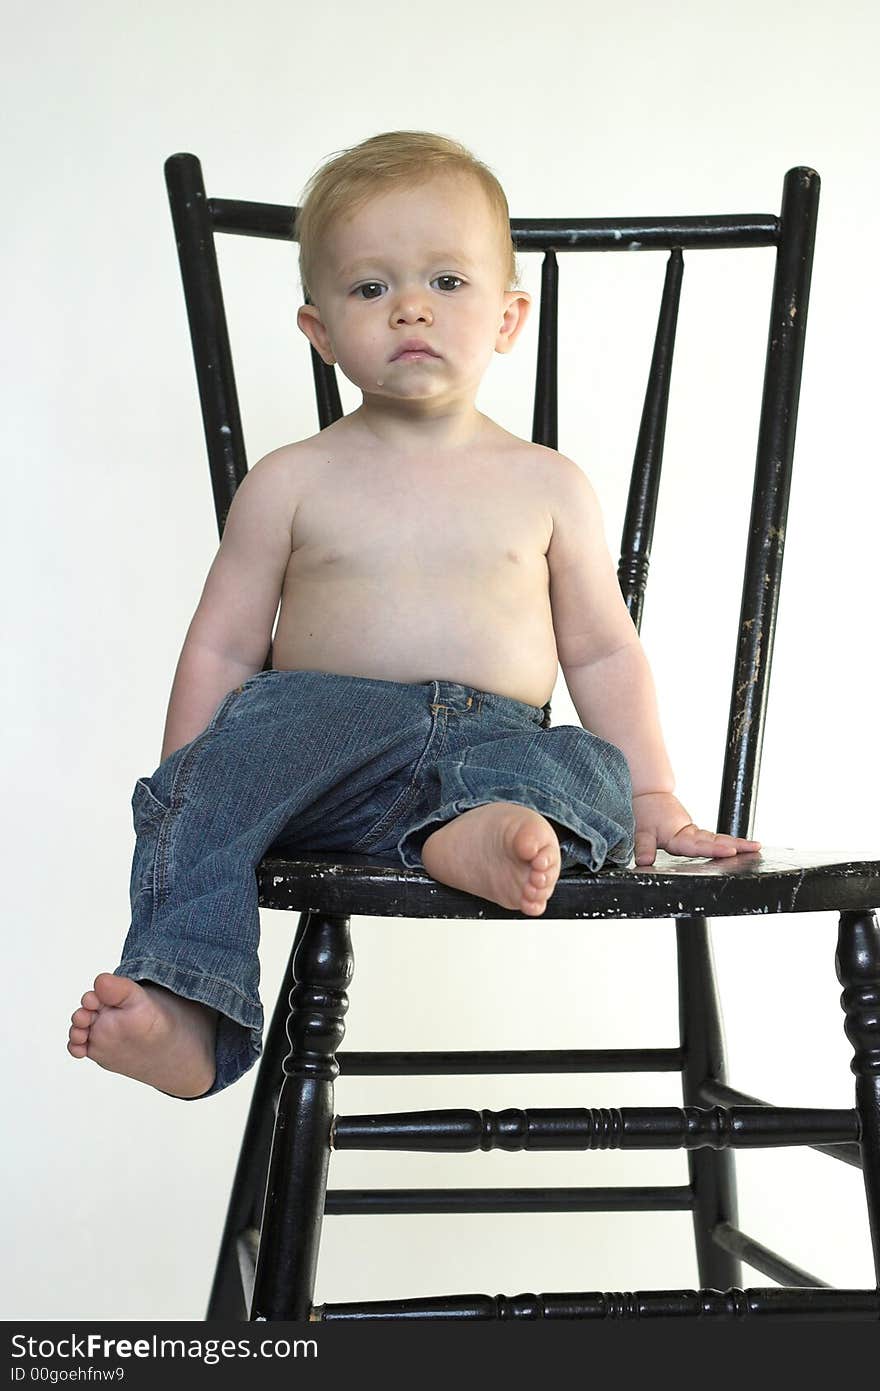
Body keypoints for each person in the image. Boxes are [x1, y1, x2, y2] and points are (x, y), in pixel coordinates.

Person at [67, 130, 760, 1101]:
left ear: (510, 316)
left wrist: (653, 793)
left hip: (496, 747)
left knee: (587, 772)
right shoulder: (290, 481)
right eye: (368, 289)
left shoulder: (547, 483)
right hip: (318, 739)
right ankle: (186, 1001)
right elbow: (223, 643)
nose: (409, 307)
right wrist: (198, 774)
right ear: (318, 330)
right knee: (198, 794)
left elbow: (602, 650)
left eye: (445, 279)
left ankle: (471, 836)